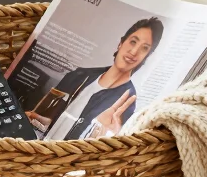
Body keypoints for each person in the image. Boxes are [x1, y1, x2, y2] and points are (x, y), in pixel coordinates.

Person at [27, 18, 164, 141]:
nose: (134, 52)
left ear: (146, 57)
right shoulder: (78, 75)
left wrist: (110, 136)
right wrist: (39, 120)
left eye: (144, 48)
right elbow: (51, 122)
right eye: (133, 42)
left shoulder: (127, 104)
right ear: (121, 43)